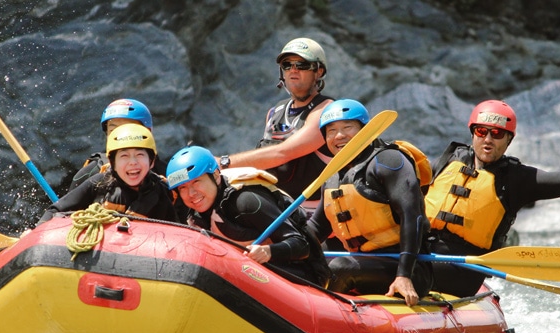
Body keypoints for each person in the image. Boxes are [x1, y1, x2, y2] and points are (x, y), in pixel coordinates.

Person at [424, 99, 560, 297]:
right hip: (422, 254)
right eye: (481, 131)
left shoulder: (515, 178)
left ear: (508, 139)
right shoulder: (447, 162)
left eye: (497, 133)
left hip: (464, 269)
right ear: (473, 133)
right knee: (398, 267)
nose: (487, 139)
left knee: (407, 273)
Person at [305, 99, 432, 306]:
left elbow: (413, 216)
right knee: (304, 261)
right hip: (362, 261)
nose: (339, 135)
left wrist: (404, 275)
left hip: (406, 266)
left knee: (340, 268)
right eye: (331, 130)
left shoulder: (388, 161)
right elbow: (317, 228)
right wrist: (278, 249)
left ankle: (324, 318)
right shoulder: (332, 176)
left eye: (348, 127)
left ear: (365, 130)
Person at [166, 145, 329, 286]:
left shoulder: (246, 201)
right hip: (250, 277)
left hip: (305, 274)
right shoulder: (193, 215)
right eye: (183, 188)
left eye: (196, 182)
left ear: (216, 176)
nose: (191, 193)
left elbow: (302, 245)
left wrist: (268, 252)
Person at [216, 37, 334, 214]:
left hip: (317, 214)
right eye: (287, 65)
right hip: (279, 207)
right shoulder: (274, 112)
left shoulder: (327, 110)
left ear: (318, 71)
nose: (293, 70)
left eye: (301, 64)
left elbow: (283, 153)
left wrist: (223, 162)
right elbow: (264, 159)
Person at [38, 123, 178, 224]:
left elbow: (178, 232)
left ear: (152, 162)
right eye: (124, 156)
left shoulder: (161, 193)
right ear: (112, 162)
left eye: (140, 155)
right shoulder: (98, 182)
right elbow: (55, 210)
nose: (133, 162)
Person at [69, 98, 162, 190]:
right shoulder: (90, 173)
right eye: (113, 131)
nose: (120, 135)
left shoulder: (167, 172)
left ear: (148, 132)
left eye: (128, 129)